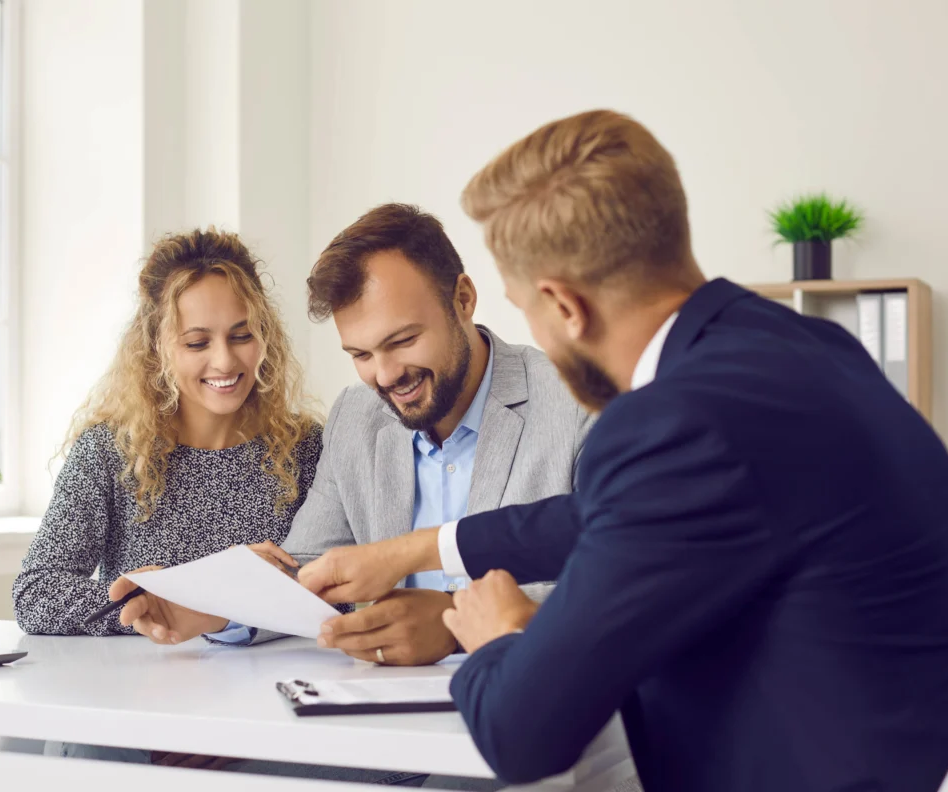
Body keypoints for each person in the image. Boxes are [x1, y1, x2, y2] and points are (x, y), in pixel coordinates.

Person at [297, 110, 948, 792]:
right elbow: (602, 518)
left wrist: (501, 635)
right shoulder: (798, 344)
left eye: (524, 305)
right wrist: (423, 550)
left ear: (565, 307)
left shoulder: (674, 422)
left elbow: (520, 736)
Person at [111, 204, 635, 788]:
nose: (385, 376)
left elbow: (616, 592)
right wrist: (218, 608)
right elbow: (310, 564)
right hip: (377, 725)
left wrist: (453, 624)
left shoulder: (579, 400)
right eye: (359, 355)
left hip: (522, 728)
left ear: (463, 298)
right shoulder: (359, 416)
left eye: (402, 341)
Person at [10, 228, 321, 764]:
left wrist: (205, 597)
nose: (224, 362)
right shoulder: (110, 450)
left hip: (262, 715)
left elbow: (324, 591)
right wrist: (168, 603)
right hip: (138, 708)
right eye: (197, 342)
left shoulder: (306, 449)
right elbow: (36, 593)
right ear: (157, 347)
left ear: (266, 336)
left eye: (242, 336)